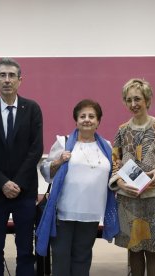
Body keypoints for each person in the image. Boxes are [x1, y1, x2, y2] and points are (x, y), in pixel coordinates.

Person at [36, 99, 119, 276]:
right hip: (64, 213)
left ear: (98, 121)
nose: (87, 119)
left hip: (91, 213)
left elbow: (112, 175)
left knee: (82, 258)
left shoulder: (106, 146)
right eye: (82, 116)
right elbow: (45, 171)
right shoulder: (63, 142)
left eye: (91, 116)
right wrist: (58, 161)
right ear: (76, 120)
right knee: (61, 258)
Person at [0, 58, 43, 276]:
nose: (7, 80)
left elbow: (36, 150)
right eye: (2, 75)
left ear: (20, 80)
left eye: (11, 75)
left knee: (25, 250)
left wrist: (17, 183)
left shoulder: (32, 109)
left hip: (25, 193)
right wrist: (3, 183)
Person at [109, 78, 155, 276]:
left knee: (154, 250)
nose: (133, 104)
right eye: (128, 100)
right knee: (134, 249)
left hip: (154, 200)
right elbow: (115, 163)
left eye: (137, 99)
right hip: (128, 200)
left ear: (147, 100)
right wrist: (119, 181)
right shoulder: (122, 130)